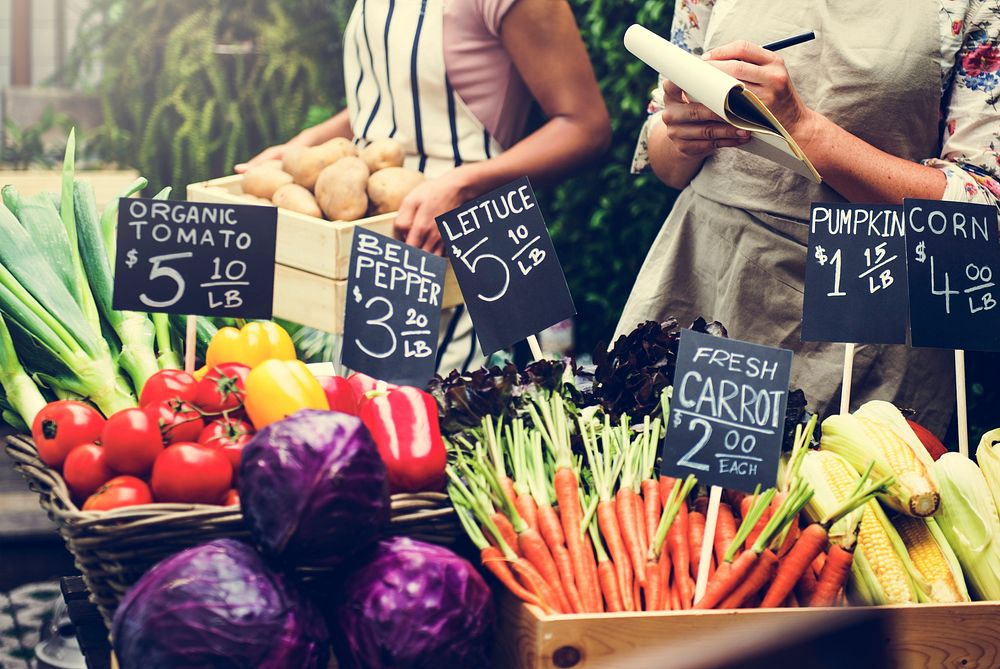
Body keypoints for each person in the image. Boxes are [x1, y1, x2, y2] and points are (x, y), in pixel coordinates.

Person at [618, 0, 1000, 436]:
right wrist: (683, 127)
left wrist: (802, 128)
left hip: (866, 311)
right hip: (707, 281)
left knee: (844, 497)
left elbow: (983, 214)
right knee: (682, 496)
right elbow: (667, 166)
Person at [238, 0, 610, 374]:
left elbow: (585, 128)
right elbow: (390, 98)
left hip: (461, 249)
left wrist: (463, 185)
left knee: (443, 416)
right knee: (361, 405)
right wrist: (305, 145)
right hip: (370, 243)